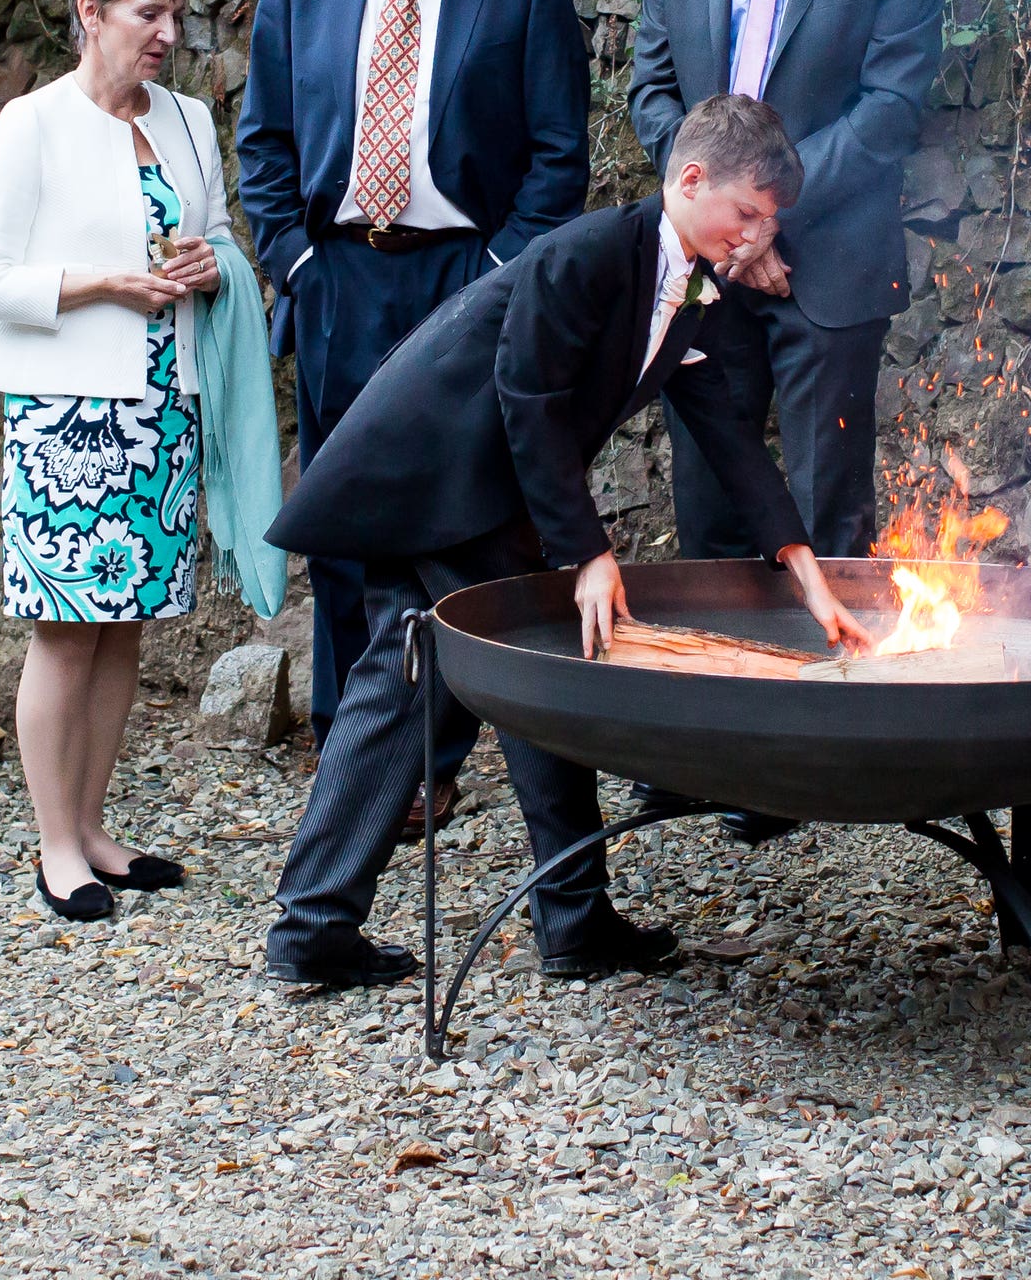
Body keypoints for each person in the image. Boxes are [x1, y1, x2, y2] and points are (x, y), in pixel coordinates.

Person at [262, 96, 872, 988]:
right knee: (541, 671)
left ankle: (315, 931)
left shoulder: (690, 284)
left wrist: (806, 572)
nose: (752, 237)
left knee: (404, 691)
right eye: (746, 213)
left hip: (467, 491)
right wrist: (587, 553)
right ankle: (570, 920)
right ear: (690, 179)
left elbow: (731, 437)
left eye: (767, 224)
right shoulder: (589, 252)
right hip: (436, 475)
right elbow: (529, 399)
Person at [235, 0, 590, 820]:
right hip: (339, 279)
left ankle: (434, 755)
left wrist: (500, 276)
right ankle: (349, 749)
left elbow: (558, 154)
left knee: (459, 521)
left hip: (465, 277)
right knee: (344, 520)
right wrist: (296, 264)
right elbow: (265, 142)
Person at [0, 0, 249, 922]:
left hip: (166, 403)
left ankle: (91, 828)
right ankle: (54, 847)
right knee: (66, 632)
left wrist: (209, 264)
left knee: (125, 627)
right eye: (146, 12)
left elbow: (215, 236)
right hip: (67, 413)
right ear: (91, 13)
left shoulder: (189, 120)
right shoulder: (31, 124)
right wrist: (100, 284)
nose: (168, 32)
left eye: (176, 13)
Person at [628, 0, 942, 565]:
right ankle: (715, 655)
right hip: (706, 274)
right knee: (708, 519)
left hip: (829, 270)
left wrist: (770, 215)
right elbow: (653, 92)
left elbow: (890, 111)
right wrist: (719, 218)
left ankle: (829, 654)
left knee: (826, 521)